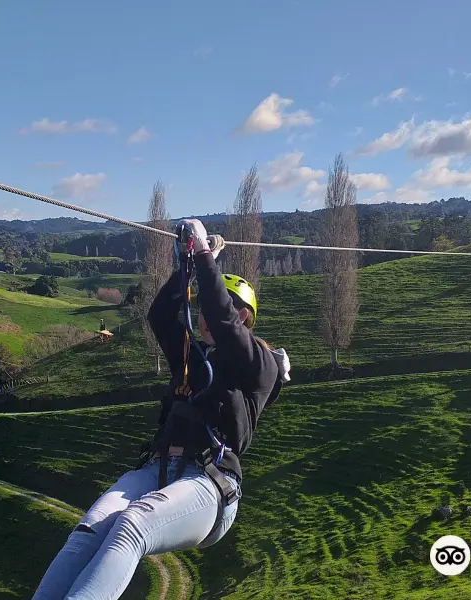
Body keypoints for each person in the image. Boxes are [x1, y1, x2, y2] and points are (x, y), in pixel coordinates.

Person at [32, 218, 291, 600]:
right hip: (161, 468)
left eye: (224, 309)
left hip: (211, 484)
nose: (205, 316)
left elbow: (223, 322)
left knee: (133, 525)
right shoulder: (193, 358)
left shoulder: (259, 365)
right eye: (202, 309)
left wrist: (205, 256)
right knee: (88, 530)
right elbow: (161, 318)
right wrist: (184, 267)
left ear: (244, 318)